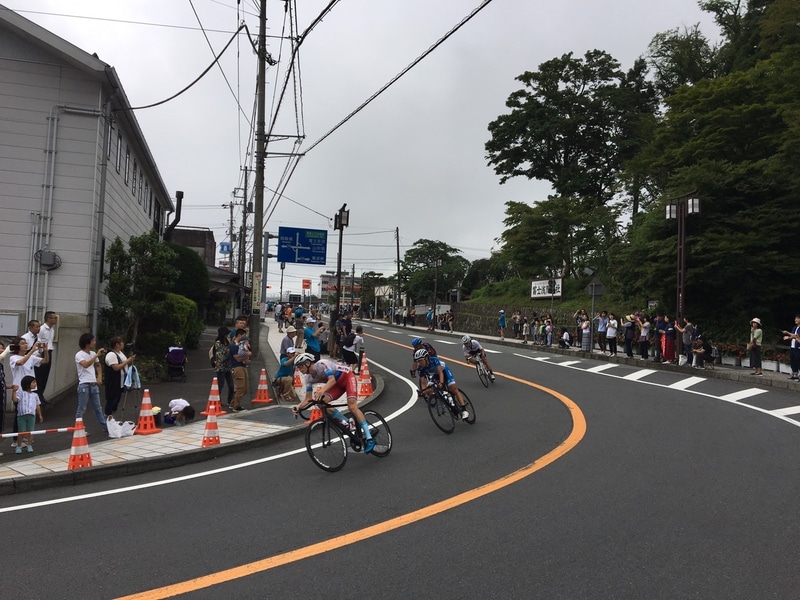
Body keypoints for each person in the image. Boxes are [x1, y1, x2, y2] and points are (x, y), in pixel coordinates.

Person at [291, 352, 375, 453]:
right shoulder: (308, 378)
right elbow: (308, 398)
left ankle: (369, 438)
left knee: (352, 407)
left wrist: (322, 390)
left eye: (300, 366)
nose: (300, 369)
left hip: (348, 378)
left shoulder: (322, 365)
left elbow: (332, 380)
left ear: (308, 363)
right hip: (337, 386)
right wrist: (298, 407)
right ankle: (347, 423)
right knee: (320, 402)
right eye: (298, 367)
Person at [9, 335, 48, 446]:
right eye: (22, 343)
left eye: (26, 343)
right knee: (20, 414)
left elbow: (45, 361)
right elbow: (21, 362)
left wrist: (45, 351)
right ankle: (16, 439)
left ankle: (27, 437)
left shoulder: (30, 357)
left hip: (31, 390)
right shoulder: (14, 358)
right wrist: (32, 351)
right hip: (19, 390)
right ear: (17, 346)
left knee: (30, 413)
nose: (25, 345)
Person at [413, 348, 470, 421]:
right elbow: (423, 383)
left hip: (444, 371)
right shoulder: (420, 368)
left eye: (420, 360)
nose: (419, 363)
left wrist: (441, 383)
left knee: (453, 388)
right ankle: (443, 398)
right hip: (435, 375)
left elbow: (440, 372)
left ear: (426, 358)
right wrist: (423, 392)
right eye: (417, 361)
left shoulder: (434, 360)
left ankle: (464, 410)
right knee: (428, 390)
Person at [74, 333, 108, 431]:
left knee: (98, 408)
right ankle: (79, 429)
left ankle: (105, 426)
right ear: (87, 343)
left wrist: (99, 377)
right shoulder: (79, 354)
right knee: (82, 408)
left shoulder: (92, 354)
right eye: (92, 341)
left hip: (93, 384)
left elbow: (98, 365)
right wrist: (97, 355)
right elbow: (85, 364)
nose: (94, 343)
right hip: (84, 384)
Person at [104, 336, 135, 416]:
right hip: (113, 382)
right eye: (121, 342)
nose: (123, 344)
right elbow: (116, 367)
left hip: (120, 381)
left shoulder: (120, 353)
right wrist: (128, 361)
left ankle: (112, 419)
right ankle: (107, 418)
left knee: (116, 400)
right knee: (112, 400)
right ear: (117, 344)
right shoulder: (111, 354)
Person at [15, 375, 42, 453]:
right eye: (33, 382)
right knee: (22, 431)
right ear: (27, 384)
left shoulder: (35, 395)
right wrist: (14, 391)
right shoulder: (21, 393)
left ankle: (29, 445)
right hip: (22, 415)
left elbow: (38, 406)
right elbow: (15, 400)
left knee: (31, 431)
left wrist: (40, 415)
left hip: (32, 415)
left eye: (35, 382)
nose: (35, 384)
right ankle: (19, 446)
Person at [36, 311, 57, 404]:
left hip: (49, 352)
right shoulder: (41, 329)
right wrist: (40, 353)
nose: (55, 319)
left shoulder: (52, 330)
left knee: (46, 375)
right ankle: (38, 395)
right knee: (40, 374)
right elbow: (38, 340)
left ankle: (41, 394)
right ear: (48, 319)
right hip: (42, 353)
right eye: (54, 318)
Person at [229, 328, 250, 411]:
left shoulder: (240, 346)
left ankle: (233, 403)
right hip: (237, 367)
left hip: (242, 366)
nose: (245, 338)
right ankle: (236, 406)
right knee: (240, 388)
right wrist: (247, 354)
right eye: (244, 336)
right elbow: (238, 359)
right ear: (239, 335)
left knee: (244, 388)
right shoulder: (234, 346)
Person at [212, 327, 234, 408]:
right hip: (220, 367)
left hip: (228, 366)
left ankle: (230, 400)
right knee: (220, 385)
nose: (227, 335)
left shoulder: (228, 341)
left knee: (231, 385)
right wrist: (230, 351)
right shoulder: (218, 342)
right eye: (226, 333)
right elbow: (221, 355)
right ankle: (218, 400)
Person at [782, 315, 800, 380]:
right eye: (795, 319)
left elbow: (796, 336)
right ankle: (795, 375)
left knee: (798, 361)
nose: (796, 320)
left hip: (798, 347)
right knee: (793, 361)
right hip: (793, 346)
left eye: (797, 319)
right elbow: (793, 336)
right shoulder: (794, 328)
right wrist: (788, 336)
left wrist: (787, 334)